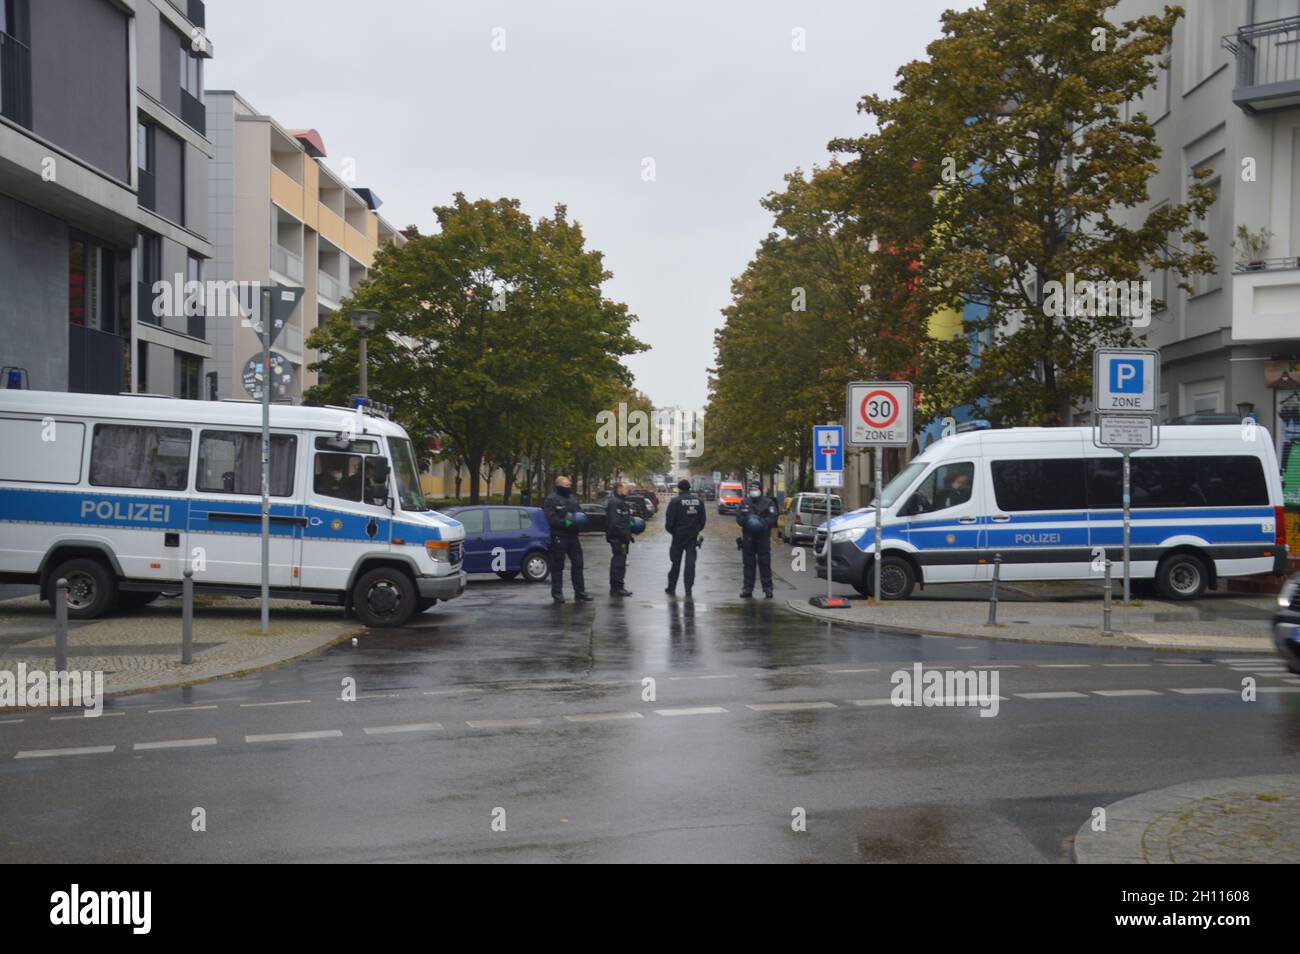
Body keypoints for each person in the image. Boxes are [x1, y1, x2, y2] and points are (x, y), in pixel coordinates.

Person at [543, 475, 591, 604]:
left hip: (573, 537)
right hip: (559, 536)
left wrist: (581, 520)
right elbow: (551, 519)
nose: (569, 487)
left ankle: (580, 592)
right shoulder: (551, 499)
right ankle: (557, 594)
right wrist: (566, 523)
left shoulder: (572, 498)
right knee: (558, 566)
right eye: (566, 485)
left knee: (578, 564)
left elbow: (579, 513)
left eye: (569, 485)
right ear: (558, 485)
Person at [735, 480, 778, 598]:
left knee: (764, 563)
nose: (753, 491)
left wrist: (761, 523)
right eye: (751, 490)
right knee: (748, 564)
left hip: (762, 537)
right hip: (748, 537)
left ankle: (768, 589)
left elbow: (773, 517)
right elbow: (739, 517)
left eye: (755, 489)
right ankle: (747, 589)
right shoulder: (744, 502)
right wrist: (748, 522)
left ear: (760, 490)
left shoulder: (768, 502)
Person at [664, 478, 706, 597]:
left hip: (678, 537)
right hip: (692, 538)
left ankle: (671, 587)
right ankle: (688, 589)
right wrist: (696, 530)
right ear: (689, 488)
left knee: (675, 564)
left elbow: (669, 522)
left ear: (679, 488)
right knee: (690, 564)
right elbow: (702, 520)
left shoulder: (675, 501)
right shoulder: (699, 501)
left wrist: (674, 532)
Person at [605, 482, 634, 597]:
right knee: (618, 563)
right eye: (626, 488)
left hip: (622, 537)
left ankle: (618, 587)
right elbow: (614, 523)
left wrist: (629, 534)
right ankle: (617, 588)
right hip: (618, 538)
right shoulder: (614, 503)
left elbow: (624, 521)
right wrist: (624, 535)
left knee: (621, 562)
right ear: (619, 489)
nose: (628, 490)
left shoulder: (621, 502)